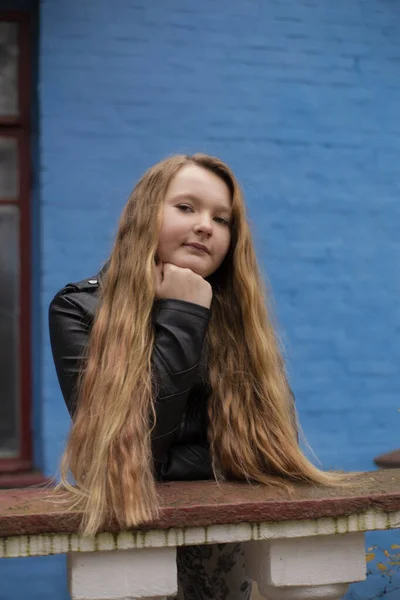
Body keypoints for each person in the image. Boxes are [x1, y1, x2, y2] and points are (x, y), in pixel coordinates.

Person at [49, 153, 342, 600]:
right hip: (128, 542)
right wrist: (183, 313)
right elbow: (126, 459)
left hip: (226, 544)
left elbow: (267, 450)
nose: (206, 225)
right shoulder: (79, 310)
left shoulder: (237, 317)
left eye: (221, 219)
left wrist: (168, 463)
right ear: (145, 213)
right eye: (186, 207)